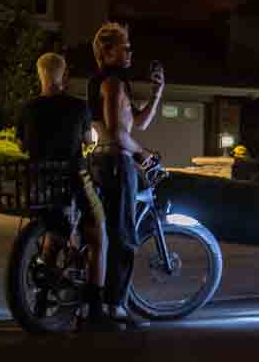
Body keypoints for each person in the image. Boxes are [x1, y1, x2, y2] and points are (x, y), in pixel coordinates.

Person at [18, 52, 116, 332]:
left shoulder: (28, 108)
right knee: (99, 234)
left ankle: (41, 299)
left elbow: (22, 147)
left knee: (55, 229)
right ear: (64, 75)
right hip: (74, 177)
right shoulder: (77, 107)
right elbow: (87, 141)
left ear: (40, 75)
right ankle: (95, 311)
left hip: (40, 182)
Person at [87, 22, 165, 330]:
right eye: (125, 46)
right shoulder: (114, 84)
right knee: (125, 237)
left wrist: (158, 93)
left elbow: (139, 124)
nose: (130, 51)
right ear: (107, 52)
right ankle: (115, 306)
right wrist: (143, 155)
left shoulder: (108, 82)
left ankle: (96, 302)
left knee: (104, 234)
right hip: (116, 164)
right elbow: (120, 134)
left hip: (101, 161)